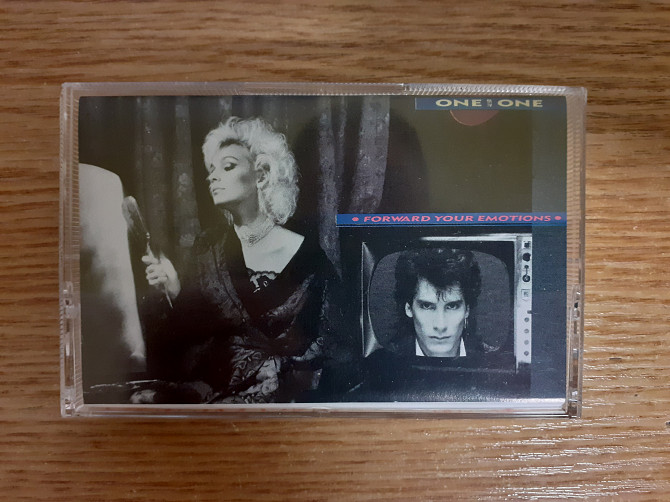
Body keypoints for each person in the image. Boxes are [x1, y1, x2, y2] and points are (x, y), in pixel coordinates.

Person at [142, 117, 348, 404]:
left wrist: (277, 373)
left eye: (227, 167)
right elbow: (187, 338)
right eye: (211, 170)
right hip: (213, 393)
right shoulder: (206, 248)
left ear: (261, 175)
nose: (212, 177)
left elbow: (335, 343)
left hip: (286, 398)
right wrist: (174, 288)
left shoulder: (309, 255)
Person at [394, 248, 483, 358]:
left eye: (452, 306)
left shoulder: (492, 360)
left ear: (467, 310)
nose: (440, 326)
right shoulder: (385, 361)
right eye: (426, 306)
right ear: (409, 308)